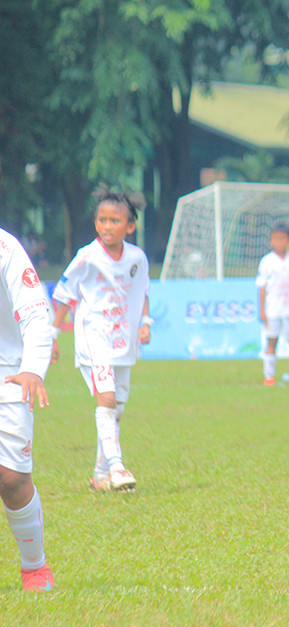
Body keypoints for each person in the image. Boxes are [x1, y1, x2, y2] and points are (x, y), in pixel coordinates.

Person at [51, 186, 151, 492]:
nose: (107, 226)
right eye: (102, 220)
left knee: (116, 408)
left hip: (123, 340)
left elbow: (142, 291)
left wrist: (145, 322)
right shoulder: (87, 257)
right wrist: (53, 335)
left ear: (130, 226)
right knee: (106, 399)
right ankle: (118, 468)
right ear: (96, 223)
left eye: (114, 221)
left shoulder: (137, 258)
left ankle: (99, 474)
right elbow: (64, 295)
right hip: (94, 338)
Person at [1, 196, 55, 591]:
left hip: (9, 374)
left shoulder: (6, 249)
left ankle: (34, 565)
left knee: (12, 479)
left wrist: (33, 369)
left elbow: (36, 313)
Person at [256, 224, 289, 386]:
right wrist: (262, 310)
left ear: (288, 240)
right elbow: (262, 287)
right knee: (272, 342)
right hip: (273, 309)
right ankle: (269, 377)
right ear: (271, 241)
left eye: (282, 239)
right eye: (276, 239)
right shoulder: (267, 261)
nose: (279, 242)